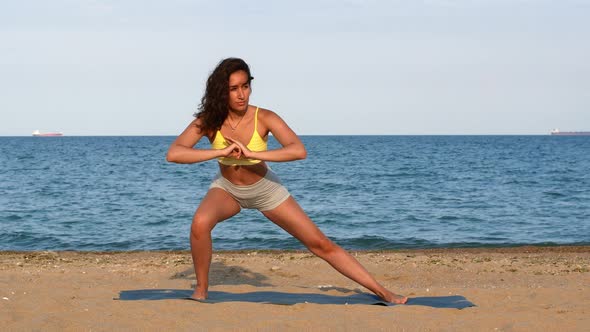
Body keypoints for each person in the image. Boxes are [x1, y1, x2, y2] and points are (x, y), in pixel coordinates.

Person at [166, 58, 407, 304]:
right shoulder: (210, 120)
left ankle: (383, 292)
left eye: (245, 86)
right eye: (233, 89)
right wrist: (219, 152)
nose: (241, 95)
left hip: (264, 189)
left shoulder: (264, 117)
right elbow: (174, 153)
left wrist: (253, 154)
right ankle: (201, 291)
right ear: (221, 91)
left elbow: (298, 150)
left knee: (319, 244)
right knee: (200, 223)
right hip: (227, 189)